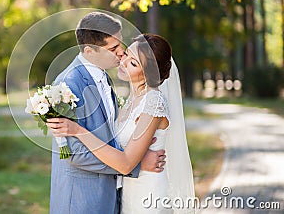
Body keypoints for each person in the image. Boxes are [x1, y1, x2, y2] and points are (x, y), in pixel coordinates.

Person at [47, 34, 195, 213]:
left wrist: (78, 131)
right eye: (126, 54)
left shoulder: (153, 103)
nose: (123, 62)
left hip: (147, 193)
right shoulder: (130, 100)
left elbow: (125, 164)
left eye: (133, 63)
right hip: (126, 193)